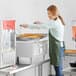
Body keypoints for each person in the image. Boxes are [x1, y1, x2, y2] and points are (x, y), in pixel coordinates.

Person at [20, 5, 65, 76]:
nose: (48, 15)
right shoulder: (57, 19)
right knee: (59, 69)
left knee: (58, 71)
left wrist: (27, 26)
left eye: (49, 14)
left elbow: (43, 26)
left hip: (57, 48)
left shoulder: (55, 23)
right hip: (60, 47)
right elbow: (47, 25)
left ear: (54, 13)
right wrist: (40, 23)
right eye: (48, 14)